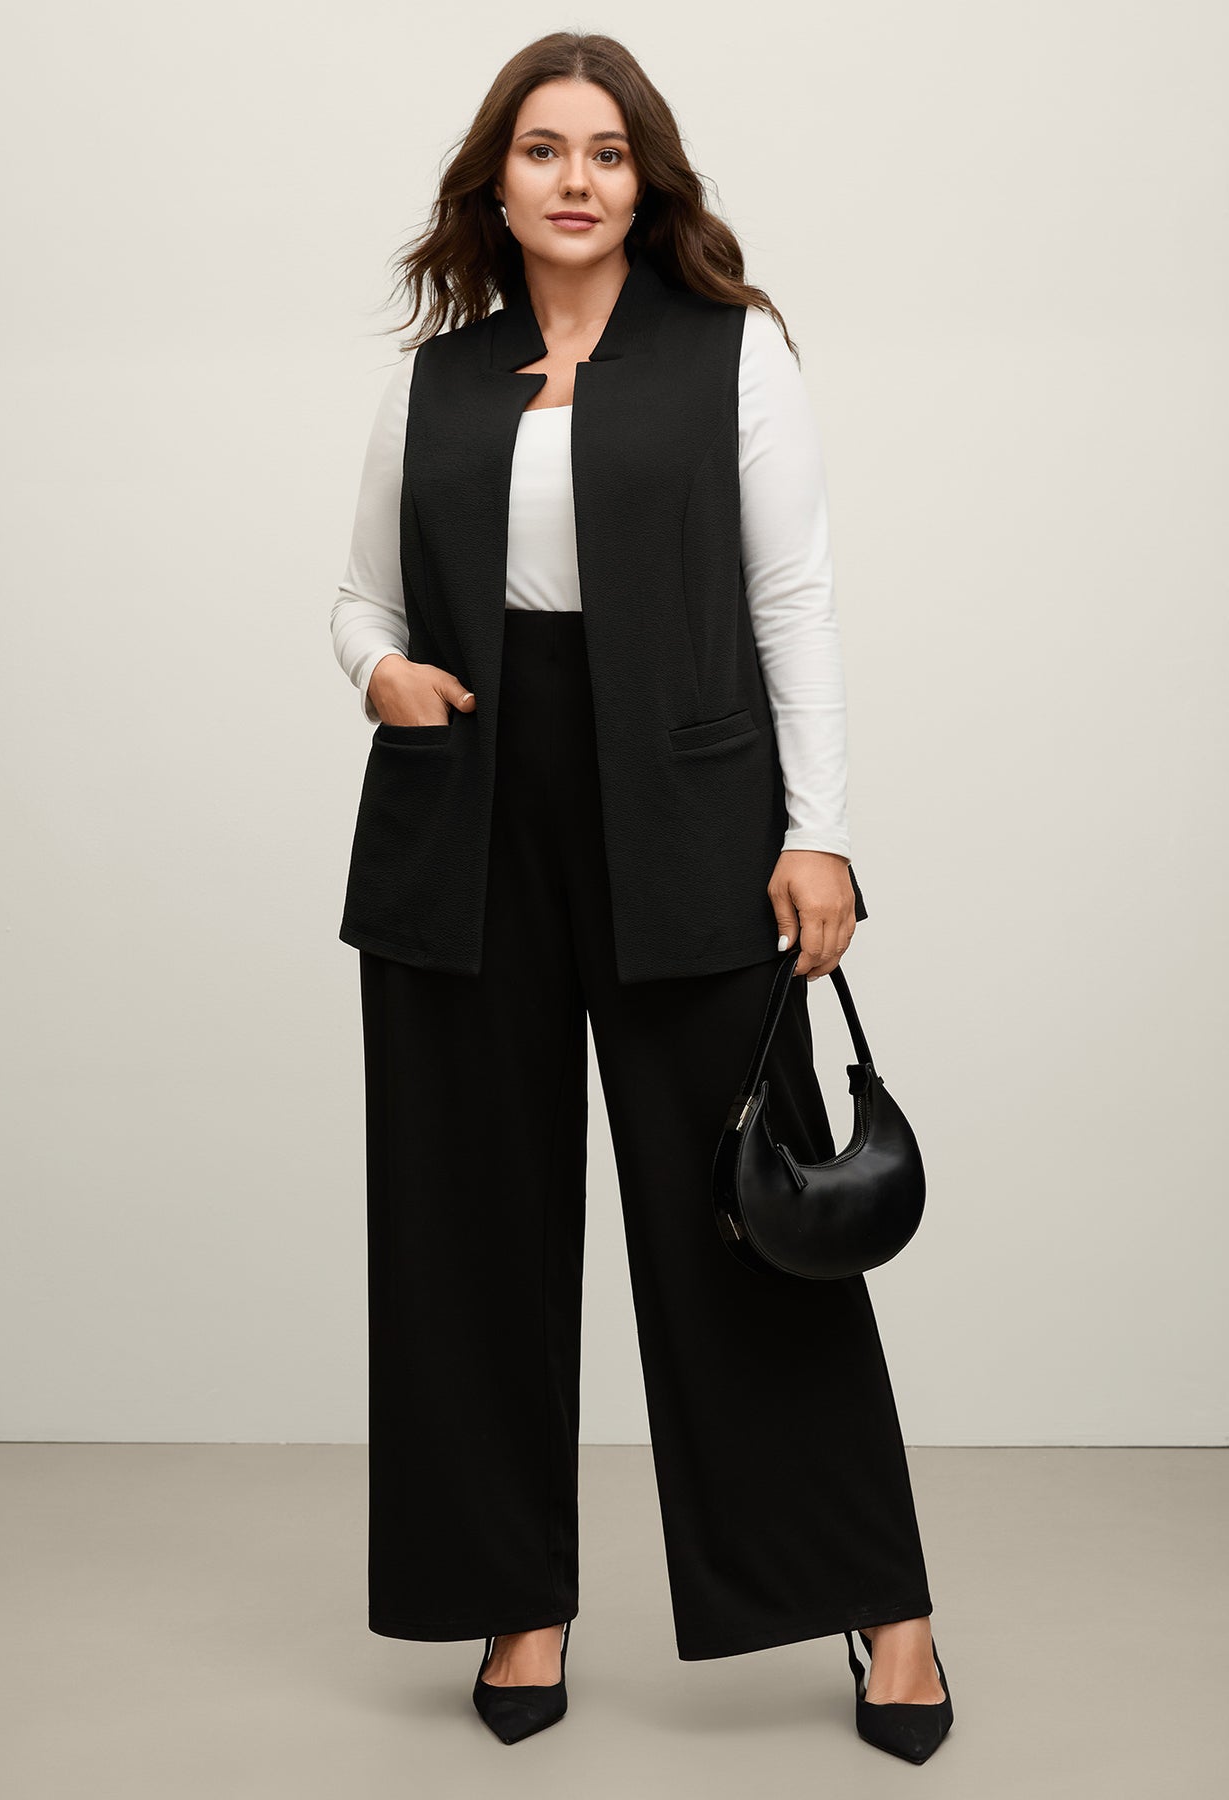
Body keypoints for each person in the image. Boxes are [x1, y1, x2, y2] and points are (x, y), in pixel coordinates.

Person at [328, 31, 953, 1764]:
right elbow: (360, 598)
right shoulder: (437, 380)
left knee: (744, 1221)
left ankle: (881, 1603)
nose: (577, 179)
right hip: (466, 814)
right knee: (467, 1232)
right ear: (496, 178)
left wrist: (817, 830)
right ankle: (514, 1593)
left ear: (646, 178)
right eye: (544, 149)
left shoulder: (730, 353)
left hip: (681, 813)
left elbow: (791, 594)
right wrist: (378, 675)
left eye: (607, 151)